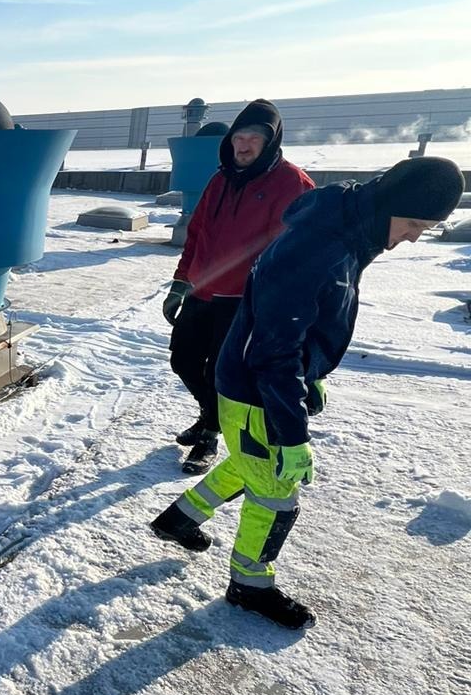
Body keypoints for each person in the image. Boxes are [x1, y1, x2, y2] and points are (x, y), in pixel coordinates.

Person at [150, 156, 465, 629]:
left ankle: (179, 519)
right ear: (393, 206)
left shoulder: (349, 232)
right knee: (277, 492)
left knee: (253, 462)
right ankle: (249, 585)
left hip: (261, 383)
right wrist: (292, 430)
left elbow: (298, 328)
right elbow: (272, 351)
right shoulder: (319, 246)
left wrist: (310, 372)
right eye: (416, 224)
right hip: (256, 389)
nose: (415, 237)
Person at [163, 100, 313, 472]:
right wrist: (180, 282)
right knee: (182, 359)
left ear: (271, 142)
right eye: (238, 138)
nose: (243, 147)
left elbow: (296, 254)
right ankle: (208, 415)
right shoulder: (221, 178)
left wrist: (277, 308)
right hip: (203, 291)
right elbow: (197, 233)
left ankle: (211, 434)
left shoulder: (291, 183)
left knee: (223, 372)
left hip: (245, 300)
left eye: (253, 140)